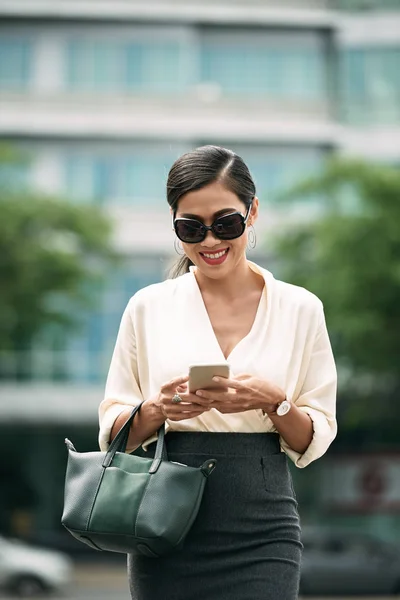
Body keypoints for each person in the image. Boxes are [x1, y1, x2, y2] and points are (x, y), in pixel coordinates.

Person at [98, 145, 337, 600]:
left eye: (225, 223)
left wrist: (272, 401)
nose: (209, 241)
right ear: (174, 226)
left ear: (253, 212)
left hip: (263, 526)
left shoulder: (301, 308)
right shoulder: (147, 308)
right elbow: (115, 433)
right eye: (191, 227)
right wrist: (156, 409)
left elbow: (313, 439)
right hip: (163, 518)